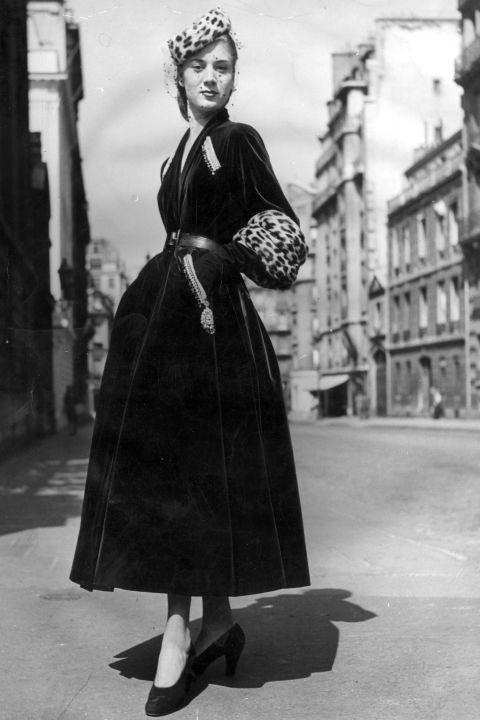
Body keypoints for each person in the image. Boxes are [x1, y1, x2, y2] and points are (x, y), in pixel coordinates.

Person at [70, 8, 310, 716]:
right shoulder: (180, 151)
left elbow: (281, 228)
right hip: (170, 321)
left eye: (223, 66)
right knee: (186, 473)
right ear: (178, 76)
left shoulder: (236, 140)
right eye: (199, 65)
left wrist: (220, 263)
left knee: (191, 473)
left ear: (234, 77)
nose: (211, 76)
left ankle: (179, 635)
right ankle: (219, 622)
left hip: (210, 327)